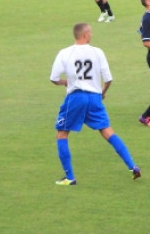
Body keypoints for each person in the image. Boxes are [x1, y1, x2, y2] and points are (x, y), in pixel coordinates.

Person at [50, 22, 140, 185]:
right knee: (108, 132)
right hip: (95, 98)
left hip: (76, 97)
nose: (91, 35)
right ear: (84, 35)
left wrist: (66, 82)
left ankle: (70, 178)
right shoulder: (97, 52)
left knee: (62, 134)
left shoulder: (65, 53)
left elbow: (54, 78)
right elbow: (108, 79)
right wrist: (102, 93)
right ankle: (132, 165)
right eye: (90, 32)